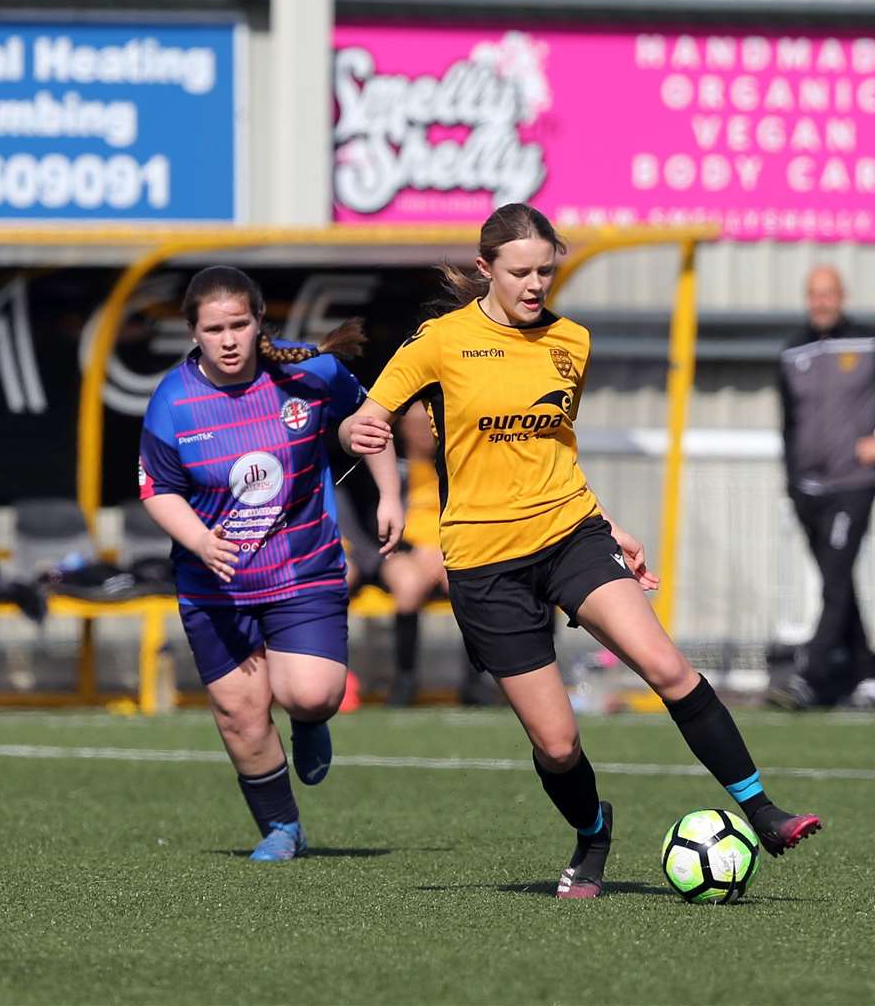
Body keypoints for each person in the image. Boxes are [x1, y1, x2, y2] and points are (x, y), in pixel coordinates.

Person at [340, 203, 822, 898]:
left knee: (667, 665)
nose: (536, 284)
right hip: (483, 560)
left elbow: (552, 451)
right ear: (486, 270)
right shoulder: (440, 342)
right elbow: (370, 416)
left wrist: (608, 523)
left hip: (570, 533)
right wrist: (374, 464)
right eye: (520, 272)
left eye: (546, 270)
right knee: (558, 744)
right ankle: (593, 832)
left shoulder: (573, 341)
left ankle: (763, 812)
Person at [139, 266, 403, 861]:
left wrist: (390, 495)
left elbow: (370, 424)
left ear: (260, 323)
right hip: (216, 588)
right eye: (214, 329)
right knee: (240, 714)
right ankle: (282, 828)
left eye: (239, 324)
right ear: (193, 332)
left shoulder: (311, 374)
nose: (228, 339)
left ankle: (310, 722)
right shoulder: (173, 403)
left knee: (310, 695)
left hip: (302, 570)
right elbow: (158, 488)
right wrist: (202, 542)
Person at [772, 265, 875, 710]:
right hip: (807, 490)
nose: (820, 303)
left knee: (834, 580)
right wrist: (791, 481)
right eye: (813, 295)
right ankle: (870, 678)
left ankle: (807, 677)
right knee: (839, 580)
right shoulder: (793, 351)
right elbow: (788, 425)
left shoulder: (872, 344)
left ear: (841, 296)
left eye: (827, 294)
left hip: (854, 484)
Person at [380, 404, 449, 707]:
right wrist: (415, 550)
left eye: (429, 425)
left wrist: (444, 550)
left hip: (451, 550)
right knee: (409, 585)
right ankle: (404, 680)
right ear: (403, 428)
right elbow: (376, 520)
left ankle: (479, 681)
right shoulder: (392, 468)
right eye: (417, 425)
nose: (424, 432)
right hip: (403, 551)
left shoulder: (452, 464)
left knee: (465, 582)